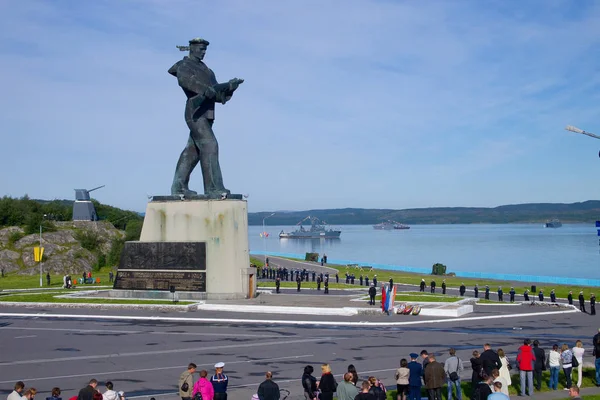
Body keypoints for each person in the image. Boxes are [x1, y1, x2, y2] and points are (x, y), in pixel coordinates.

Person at [169, 38, 244, 196]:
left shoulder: (208, 71)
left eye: (205, 50)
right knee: (210, 145)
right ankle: (213, 188)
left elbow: (216, 94)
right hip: (194, 112)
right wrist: (205, 90)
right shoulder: (184, 65)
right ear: (192, 48)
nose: (203, 52)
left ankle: (179, 186)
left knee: (193, 151)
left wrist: (230, 88)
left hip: (207, 113)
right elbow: (185, 82)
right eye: (201, 49)